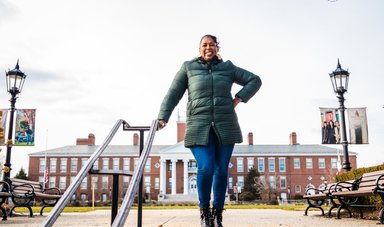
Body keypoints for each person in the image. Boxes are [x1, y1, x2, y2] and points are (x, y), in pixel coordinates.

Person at [157, 34, 262, 227]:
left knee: (221, 171)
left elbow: (255, 80)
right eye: (204, 45)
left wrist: (239, 98)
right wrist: (163, 117)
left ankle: (218, 214)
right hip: (198, 125)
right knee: (205, 167)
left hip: (225, 125)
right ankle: (204, 212)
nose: (208, 48)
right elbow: (173, 93)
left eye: (212, 45)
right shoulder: (188, 68)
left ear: (217, 48)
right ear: (199, 48)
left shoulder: (228, 67)